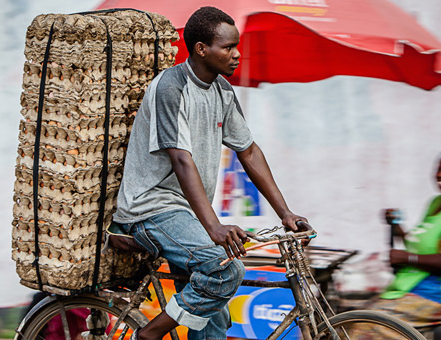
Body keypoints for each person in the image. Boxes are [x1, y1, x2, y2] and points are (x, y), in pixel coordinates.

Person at [111, 7, 309, 340]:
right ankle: (148, 335)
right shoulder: (171, 88)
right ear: (202, 49)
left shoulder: (222, 92)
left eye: (237, 46)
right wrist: (213, 226)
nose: (237, 54)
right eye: (228, 47)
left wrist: (285, 212)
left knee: (213, 319)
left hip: (186, 214)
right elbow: (181, 159)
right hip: (152, 208)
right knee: (224, 269)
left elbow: (248, 151)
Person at [368, 149, 441, 335]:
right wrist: (396, 225)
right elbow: (420, 245)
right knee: (365, 314)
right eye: (440, 170)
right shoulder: (437, 203)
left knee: (371, 325)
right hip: (425, 287)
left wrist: (407, 258)